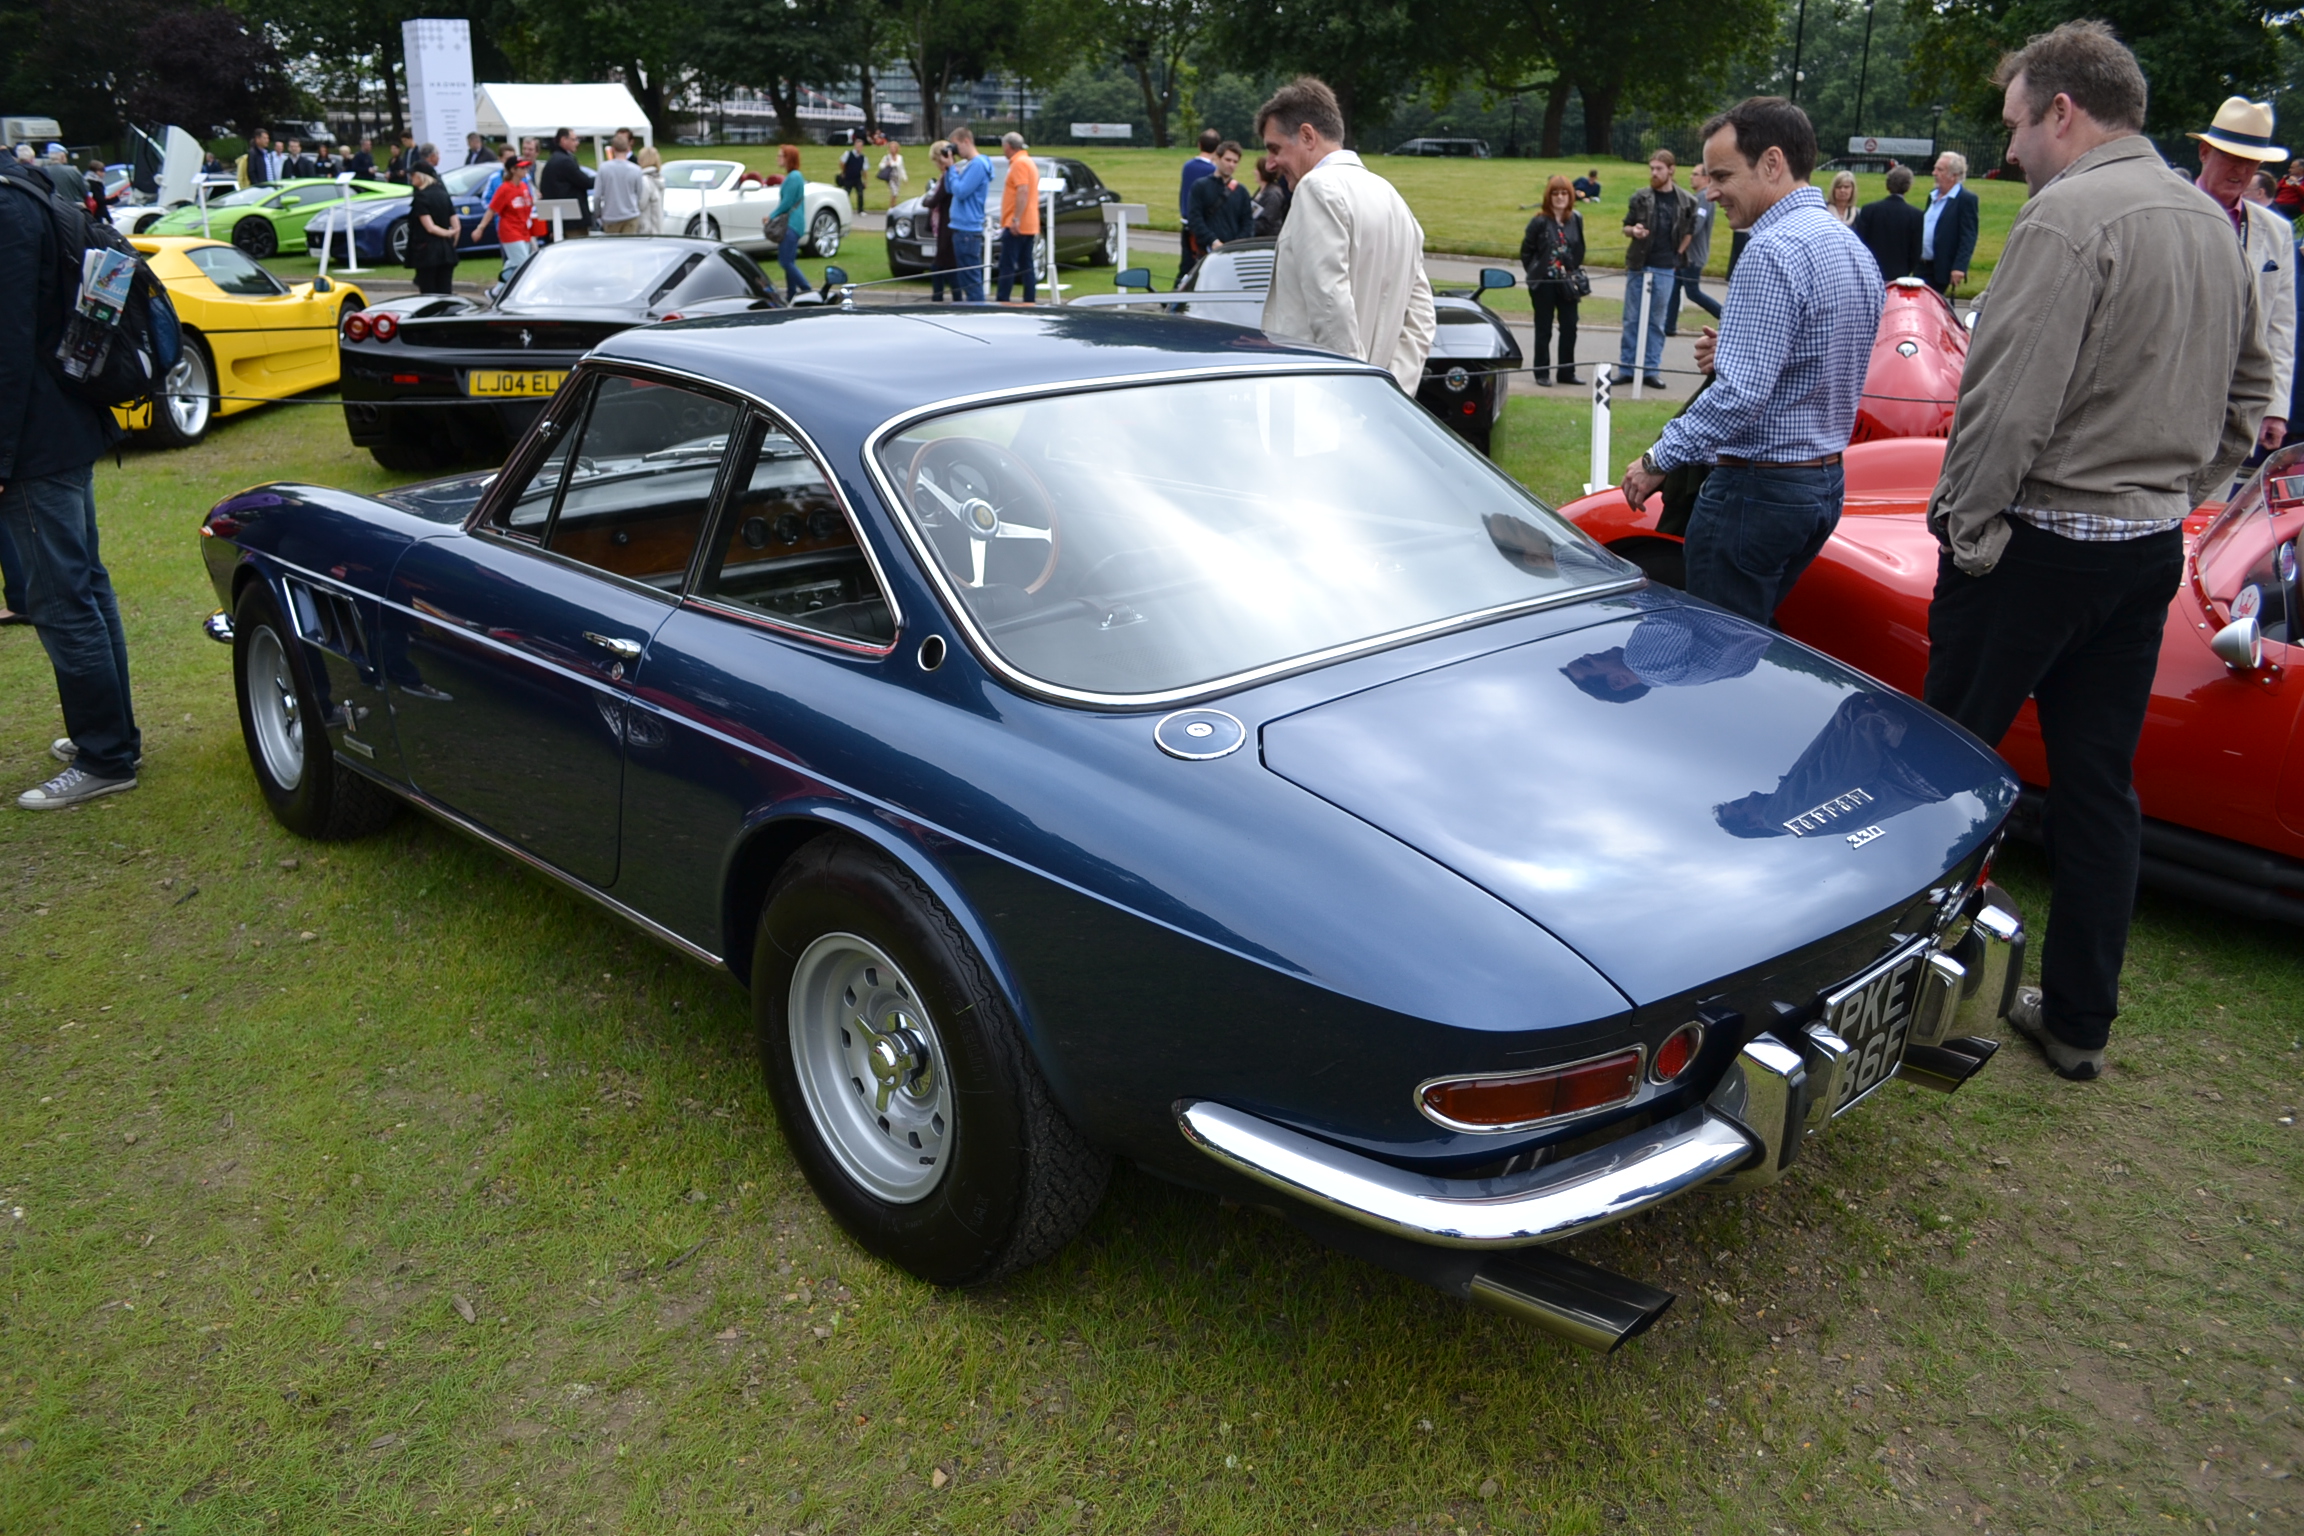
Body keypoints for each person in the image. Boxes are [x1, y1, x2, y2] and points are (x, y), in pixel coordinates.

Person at [1923, 22, 2273, 1082]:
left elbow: (2006, 402)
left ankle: (1893, 986)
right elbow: (2256, 391)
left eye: (2016, 125)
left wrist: (1967, 528)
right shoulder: (2213, 223)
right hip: (2141, 553)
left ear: (2063, 111)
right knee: (2095, 786)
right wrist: (2179, 491)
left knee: (1942, 769)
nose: (2010, 148)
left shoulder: (2067, 215)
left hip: (2038, 545)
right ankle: (2078, 1018)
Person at [1616, 96, 1882, 624]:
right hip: (1821, 488)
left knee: (1714, 659)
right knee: (1746, 647)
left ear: (1772, 163)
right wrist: (1735, 353)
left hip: (1759, 490)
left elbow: (1740, 395)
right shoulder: (1849, 244)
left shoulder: (1772, 249)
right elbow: (1828, 357)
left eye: (1721, 174)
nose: (1710, 191)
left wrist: (1657, 460)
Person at [0, 152, 142, 808]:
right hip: (59, 425)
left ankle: (106, 754)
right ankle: (112, 737)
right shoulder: (25, 193)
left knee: (62, 599)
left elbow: (8, 348)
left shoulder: (10, 210)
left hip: (37, 440)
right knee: (84, 586)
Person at [1257, 76, 1436, 394]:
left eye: (1275, 148)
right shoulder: (1394, 199)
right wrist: (1392, 393)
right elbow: (1421, 316)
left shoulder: (1316, 187)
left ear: (1307, 135)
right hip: (1370, 401)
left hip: (1320, 399)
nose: (1270, 164)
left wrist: (1355, 392)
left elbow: (1330, 304)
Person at [2190, 97, 2294, 455]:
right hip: (2166, 395)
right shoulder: (2167, 212)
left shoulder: (2275, 232)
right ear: (2204, 152)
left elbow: (2280, 326)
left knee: (2215, 510)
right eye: (2232, 158)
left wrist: (2276, 409)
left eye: (2251, 162)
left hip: (2234, 410)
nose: (2241, 171)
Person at [1620, 150, 1694, 388]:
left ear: (1671, 169)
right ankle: (1627, 368)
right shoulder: (1640, 197)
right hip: (1639, 263)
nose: (1654, 172)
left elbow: (1690, 231)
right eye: (1651, 168)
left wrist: (1677, 255)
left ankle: (1651, 369)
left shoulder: (1686, 200)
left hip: (1665, 266)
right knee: (1631, 318)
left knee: (1656, 321)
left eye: (1659, 168)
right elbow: (1626, 227)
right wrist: (1635, 231)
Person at [1520, 174, 1584, 385]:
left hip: (1567, 283)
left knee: (1570, 326)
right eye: (1555, 193)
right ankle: (1542, 372)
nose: (1560, 197)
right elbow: (1526, 251)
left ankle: (1566, 372)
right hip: (1544, 284)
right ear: (1549, 196)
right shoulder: (1539, 221)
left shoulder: (1576, 218)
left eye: (1564, 193)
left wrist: (1572, 269)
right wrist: (1534, 273)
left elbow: (1579, 248)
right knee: (1543, 328)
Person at [1669, 162, 1723, 332]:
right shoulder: (1699, 196)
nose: (1691, 177)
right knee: (1674, 287)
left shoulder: (1705, 197)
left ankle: (1726, 317)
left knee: (1693, 292)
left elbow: (1696, 225)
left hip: (1693, 255)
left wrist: (1681, 240)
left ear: (1706, 178)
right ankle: (1668, 325)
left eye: (1695, 174)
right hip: (1685, 254)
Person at [943, 128, 995, 303]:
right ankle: (974, 312)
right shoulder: (969, 165)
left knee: (972, 282)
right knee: (967, 280)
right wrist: (950, 169)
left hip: (967, 230)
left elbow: (961, 191)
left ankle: (979, 314)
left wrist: (952, 168)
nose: (956, 150)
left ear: (966, 141)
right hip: (962, 229)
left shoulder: (977, 165)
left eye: (956, 146)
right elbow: (951, 189)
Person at [1852, 162, 1926, 281]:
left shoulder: (1869, 210)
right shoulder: (1916, 215)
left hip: (1871, 272)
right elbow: (1916, 251)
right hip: (1899, 274)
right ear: (1908, 186)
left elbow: (1860, 242)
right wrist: (1906, 269)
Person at [1920, 150, 1979, 293]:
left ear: (1954, 175)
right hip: (1921, 266)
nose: (1934, 173)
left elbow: (1968, 236)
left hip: (1941, 268)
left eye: (1940, 169)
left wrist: (1959, 267)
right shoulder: (1933, 196)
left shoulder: (1965, 199)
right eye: (1935, 168)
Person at [1186, 140, 1255, 256]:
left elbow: (1248, 222)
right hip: (1206, 251)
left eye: (1235, 162)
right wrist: (1212, 240)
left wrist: (1236, 244)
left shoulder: (1242, 192)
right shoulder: (1200, 187)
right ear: (1217, 158)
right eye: (1228, 160)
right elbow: (1195, 218)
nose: (1231, 164)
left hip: (1234, 252)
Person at [995, 132, 1040, 303]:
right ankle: (1029, 300)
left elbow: (1022, 190)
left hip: (1018, 225)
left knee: (1008, 266)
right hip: (1029, 223)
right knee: (1026, 266)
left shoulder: (1019, 164)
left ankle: (1003, 299)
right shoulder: (1028, 162)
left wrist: (1016, 219)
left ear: (1008, 146)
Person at [474, 156, 538, 277]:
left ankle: (497, 290)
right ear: (513, 170)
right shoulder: (504, 189)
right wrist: (480, 228)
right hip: (510, 231)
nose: (526, 170)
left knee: (513, 264)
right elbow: (492, 209)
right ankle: (503, 291)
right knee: (522, 265)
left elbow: (528, 206)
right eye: (522, 167)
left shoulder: (524, 187)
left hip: (523, 230)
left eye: (526, 167)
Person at [405, 159, 460, 294]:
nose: (410, 178)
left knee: (429, 293)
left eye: (412, 175)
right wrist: (451, 241)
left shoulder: (421, 197)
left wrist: (448, 233)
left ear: (420, 176)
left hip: (427, 253)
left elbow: (430, 227)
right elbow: (456, 225)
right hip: (446, 252)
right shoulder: (443, 194)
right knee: (446, 291)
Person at [768, 143, 811, 300]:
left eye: (781, 155)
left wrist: (772, 216)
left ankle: (806, 289)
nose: (778, 158)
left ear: (788, 158)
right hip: (795, 224)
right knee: (789, 261)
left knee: (785, 261)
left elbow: (787, 203)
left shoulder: (794, 177)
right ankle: (791, 294)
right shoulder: (795, 176)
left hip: (791, 224)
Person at [1178, 128, 1220, 280]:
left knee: (1186, 261)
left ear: (1199, 144)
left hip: (1186, 218)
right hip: (1202, 223)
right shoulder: (1213, 170)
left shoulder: (1188, 166)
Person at [923, 140, 956, 301]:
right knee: (948, 268)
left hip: (947, 226)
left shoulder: (949, 175)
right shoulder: (949, 175)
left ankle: (938, 299)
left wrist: (926, 200)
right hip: (947, 225)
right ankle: (949, 298)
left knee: (940, 267)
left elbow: (936, 198)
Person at [539, 127, 590, 233]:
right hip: (572, 220)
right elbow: (585, 182)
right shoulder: (565, 161)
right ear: (563, 140)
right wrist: (602, 178)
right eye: (574, 139)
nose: (577, 143)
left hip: (561, 219)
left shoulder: (554, 158)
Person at [595, 141, 643, 235]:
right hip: (631, 214)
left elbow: (597, 195)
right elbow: (639, 193)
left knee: (613, 247)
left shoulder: (603, 168)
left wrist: (598, 213)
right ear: (628, 149)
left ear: (613, 149)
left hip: (610, 216)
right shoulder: (636, 169)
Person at [1252, 155, 1290, 238]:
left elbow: (1266, 223)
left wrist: (1247, 226)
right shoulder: (1261, 190)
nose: (1254, 172)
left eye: (1257, 169)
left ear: (1263, 172)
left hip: (1267, 240)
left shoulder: (1273, 194)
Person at [635, 145, 664, 235]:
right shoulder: (658, 178)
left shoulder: (645, 180)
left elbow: (641, 204)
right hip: (657, 226)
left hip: (646, 228)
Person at [838, 131, 868, 214]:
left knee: (860, 193)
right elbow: (842, 163)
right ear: (855, 146)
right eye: (857, 145)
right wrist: (844, 171)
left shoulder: (863, 157)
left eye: (860, 146)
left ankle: (860, 210)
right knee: (846, 193)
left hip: (857, 178)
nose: (859, 147)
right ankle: (842, 209)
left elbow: (865, 170)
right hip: (848, 177)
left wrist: (865, 181)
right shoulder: (848, 154)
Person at [877, 140, 907, 207]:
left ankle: (893, 205)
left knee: (896, 193)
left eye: (894, 148)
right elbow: (880, 166)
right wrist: (886, 164)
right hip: (890, 177)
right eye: (891, 148)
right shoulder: (886, 157)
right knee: (894, 192)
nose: (893, 149)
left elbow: (901, 168)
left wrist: (905, 178)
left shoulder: (900, 157)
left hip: (897, 177)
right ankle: (892, 206)